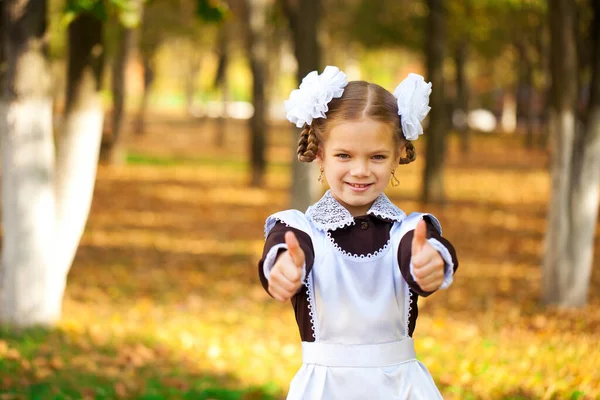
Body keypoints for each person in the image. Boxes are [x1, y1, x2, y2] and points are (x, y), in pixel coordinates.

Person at [257, 66, 459, 400]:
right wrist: (282, 269)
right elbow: (285, 249)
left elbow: (421, 249)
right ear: (320, 154)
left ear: (397, 156)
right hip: (325, 390)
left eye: (377, 157)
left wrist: (431, 262)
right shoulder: (299, 229)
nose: (361, 170)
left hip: (402, 388)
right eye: (344, 155)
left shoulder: (408, 229)